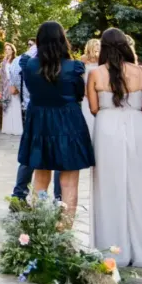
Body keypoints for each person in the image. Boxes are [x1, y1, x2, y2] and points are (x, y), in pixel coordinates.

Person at [87, 28, 142, 267]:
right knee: (139, 184)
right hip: (136, 127)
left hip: (106, 128)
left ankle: (113, 251)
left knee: (108, 185)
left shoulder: (95, 74)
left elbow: (93, 108)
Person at [16, 21, 94, 218]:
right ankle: (64, 231)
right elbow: (78, 95)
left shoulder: (28, 65)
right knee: (68, 180)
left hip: (39, 122)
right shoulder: (73, 67)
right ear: (62, 40)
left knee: (40, 177)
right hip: (68, 122)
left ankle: (41, 228)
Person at [10, 40, 62, 203]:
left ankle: (18, 195)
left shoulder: (18, 61)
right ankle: (59, 199)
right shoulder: (55, 60)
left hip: (31, 111)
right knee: (59, 155)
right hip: (55, 112)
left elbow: (14, 88)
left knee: (30, 154)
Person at [0, 43, 23, 136]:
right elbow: (2, 76)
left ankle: (16, 129)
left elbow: (19, 74)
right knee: (8, 106)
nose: (7, 51)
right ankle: (7, 128)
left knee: (15, 106)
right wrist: (2, 89)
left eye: (9, 49)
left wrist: (16, 85)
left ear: (13, 50)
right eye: (6, 49)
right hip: (6, 86)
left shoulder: (16, 60)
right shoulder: (4, 62)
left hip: (14, 85)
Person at [80, 39, 100, 139]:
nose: (98, 46)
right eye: (96, 44)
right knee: (88, 118)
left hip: (98, 90)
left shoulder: (101, 59)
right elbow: (80, 77)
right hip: (86, 90)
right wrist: (86, 91)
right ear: (91, 46)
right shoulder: (83, 59)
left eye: (99, 45)